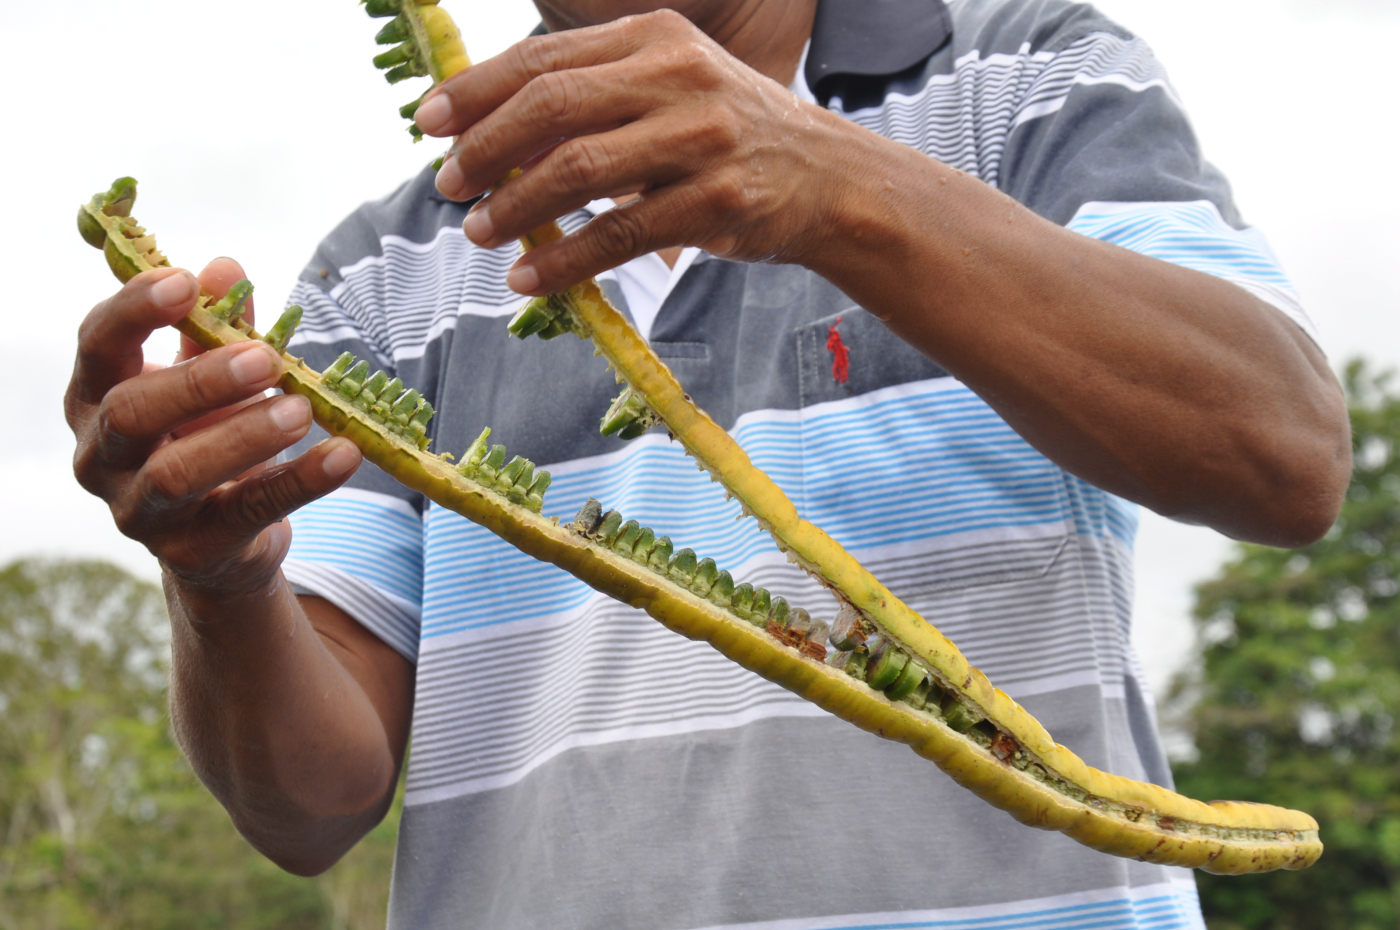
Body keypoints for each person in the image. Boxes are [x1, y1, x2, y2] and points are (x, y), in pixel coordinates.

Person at [66, 0, 1350, 926]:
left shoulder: (1030, 80)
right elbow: (307, 807)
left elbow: (1280, 453)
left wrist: (838, 190)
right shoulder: (381, 272)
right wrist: (222, 577)